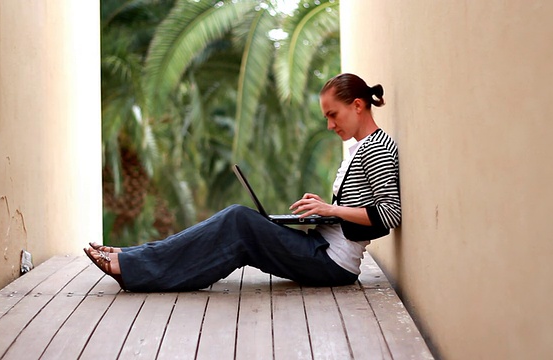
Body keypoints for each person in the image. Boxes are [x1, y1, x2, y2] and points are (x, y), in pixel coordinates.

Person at [84, 73, 401, 292]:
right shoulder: (359, 148)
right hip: (320, 247)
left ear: (358, 105)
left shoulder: (376, 148)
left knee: (238, 220)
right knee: (237, 224)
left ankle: (132, 265)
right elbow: (359, 207)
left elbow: (389, 214)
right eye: (326, 118)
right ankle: (135, 260)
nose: (330, 125)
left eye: (333, 115)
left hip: (333, 264)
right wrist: (325, 210)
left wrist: (331, 209)